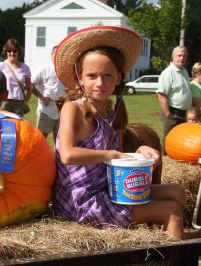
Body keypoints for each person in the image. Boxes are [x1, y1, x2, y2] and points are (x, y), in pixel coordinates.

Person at [53, 26, 186, 240]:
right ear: (80, 77)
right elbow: (67, 154)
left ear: (118, 77)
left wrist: (140, 149)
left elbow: (117, 151)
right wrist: (113, 155)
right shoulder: (73, 109)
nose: (100, 82)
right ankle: (172, 251)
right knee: (170, 210)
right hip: (82, 202)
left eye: (107, 75)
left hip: (108, 190)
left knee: (177, 193)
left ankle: (158, 248)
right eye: (92, 75)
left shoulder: (110, 110)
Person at [156, 46, 191, 153]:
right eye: (179, 55)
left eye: (184, 56)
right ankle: (165, 158)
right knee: (169, 137)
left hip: (183, 112)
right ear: (173, 56)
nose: (182, 58)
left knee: (179, 138)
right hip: (172, 111)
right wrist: (168, 114)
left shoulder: (184, 71)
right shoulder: (168, 73)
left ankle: (176, 155)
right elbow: (161, 95)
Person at [31, 46, 65, 141]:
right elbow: (30, 84)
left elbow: (69, 88)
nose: (58, 56)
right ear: (51, 55)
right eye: (56, 54)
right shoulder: (44, 69)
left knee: (60, 140)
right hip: (45, 111)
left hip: (61, 111)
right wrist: (42, 97)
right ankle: (39, 156)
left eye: (60, 54)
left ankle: (57, 156)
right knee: (41, 139)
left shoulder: (64, 70)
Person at [0, 38, 32, 117]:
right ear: (5, 51)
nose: (12, 53)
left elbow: (29, 88)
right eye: (9, 51)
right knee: (2, 126)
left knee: (18, 127)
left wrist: (25, 102)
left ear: (18, 52)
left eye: (15, 51)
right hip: (4, 102)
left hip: (19, 103)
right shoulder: (0, 66)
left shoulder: (25, 68)